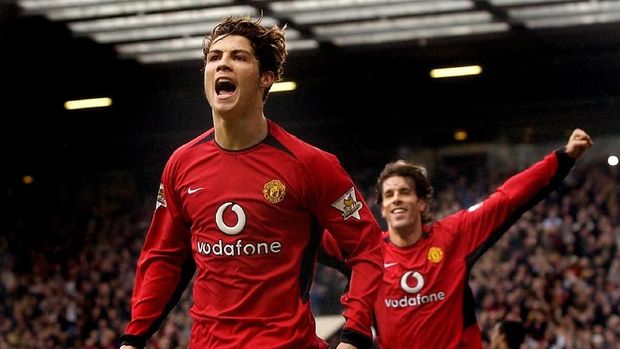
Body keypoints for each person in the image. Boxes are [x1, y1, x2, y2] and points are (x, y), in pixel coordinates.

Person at [119, 15, 383, 349]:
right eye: (214, 58)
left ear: (266, 78)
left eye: (238, 57)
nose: (222, 65)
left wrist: (355, 335)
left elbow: (368, 247)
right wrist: (133, 338)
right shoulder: (181, 165)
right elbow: (164, 258)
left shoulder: (311, 164)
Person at [320, 129, 592, 348]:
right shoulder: (369, 251)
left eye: (404, 192)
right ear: (381, 208)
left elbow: (507, 199)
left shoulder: (454, 234)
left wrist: (563, 158)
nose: (396, 200)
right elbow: (312, 238)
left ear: (423, 202)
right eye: (389, 195)